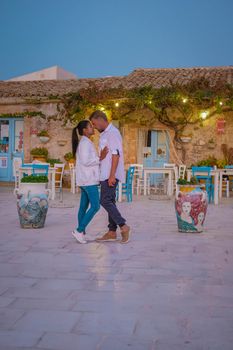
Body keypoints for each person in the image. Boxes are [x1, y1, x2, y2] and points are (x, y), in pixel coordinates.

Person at [89, 110, 131, 244]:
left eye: (95, 124)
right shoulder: (105, 134)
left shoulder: (113, 133)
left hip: (110, 174)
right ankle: (112, 232)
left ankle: (123, 226)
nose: (94, 127)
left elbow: (116, 154)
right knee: (110, 201)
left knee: (105, 201)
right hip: (105, 173)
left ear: (101, 119)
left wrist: (112, 175)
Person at [71, 120, 108, 244]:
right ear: (84, 130)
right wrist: (100, 158)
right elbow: (86, 161)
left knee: (83, 207)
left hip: (85, 179)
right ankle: (79, 230)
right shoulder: (85, 143)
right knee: (96, 206)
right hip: (88, 180)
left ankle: (81, 233)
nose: (93, 128)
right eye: (90, 127)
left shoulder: (86, 142)